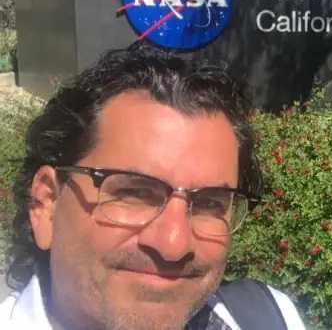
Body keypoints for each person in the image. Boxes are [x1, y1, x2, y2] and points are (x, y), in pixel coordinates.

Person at [0, 43, 306, 330]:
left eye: (209, 203)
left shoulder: (269, 317)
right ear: (47, 204)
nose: (173, 245)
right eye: (135, 193)